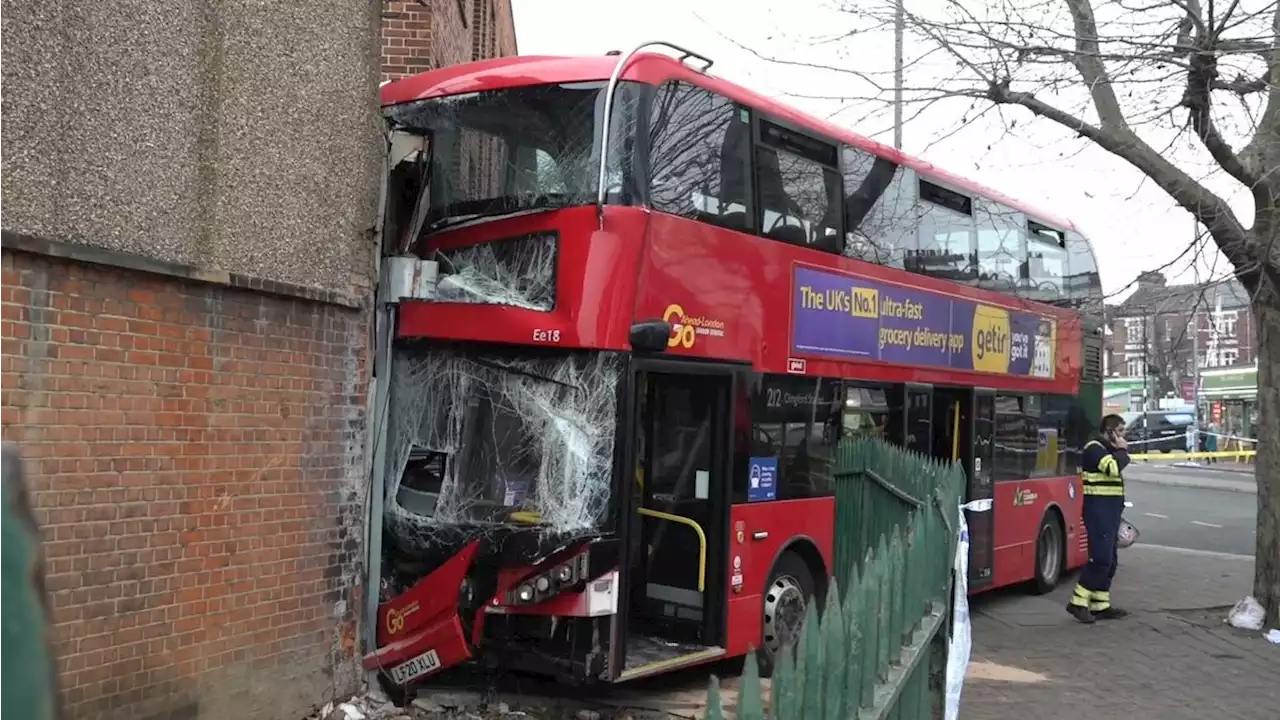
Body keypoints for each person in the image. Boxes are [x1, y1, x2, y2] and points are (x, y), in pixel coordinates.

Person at [1067, 414, 1131, 624]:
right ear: (1109, 431)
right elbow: (1112, 469)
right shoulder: (1094, 448)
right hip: (1098, 513)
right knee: (1101, 559)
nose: (1123, 436)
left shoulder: (1108, 450)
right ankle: (1078, 602)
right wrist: (1122, 450)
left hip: (1110, 513)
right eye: (1120, 431)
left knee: (1111, 561)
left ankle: (1100, 605)